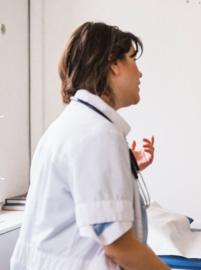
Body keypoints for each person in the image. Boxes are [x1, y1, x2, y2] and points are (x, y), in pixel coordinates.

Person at [10, 22, 170, 270]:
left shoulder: (76, 124)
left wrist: (125, 169)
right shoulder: (97, 134)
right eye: (132, 58)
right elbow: (118, 245)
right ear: (112, 64)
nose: (139, 73)